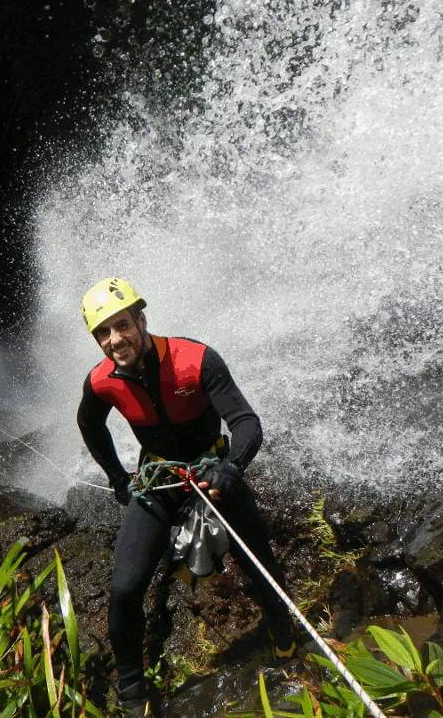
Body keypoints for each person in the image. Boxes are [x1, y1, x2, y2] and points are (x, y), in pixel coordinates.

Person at [76, 277, 296, 717]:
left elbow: (246, 422)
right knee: (124, 588)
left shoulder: (195, 359)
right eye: (103, 332)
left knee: (259, 563)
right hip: (159, 479)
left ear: (141, 319)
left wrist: (231, 466)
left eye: (121, 325)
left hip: (213, 470)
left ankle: (286, 642)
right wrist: (118, 477)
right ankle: (134, 693)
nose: (114, 340)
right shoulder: (101, 381)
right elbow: (90, 425)